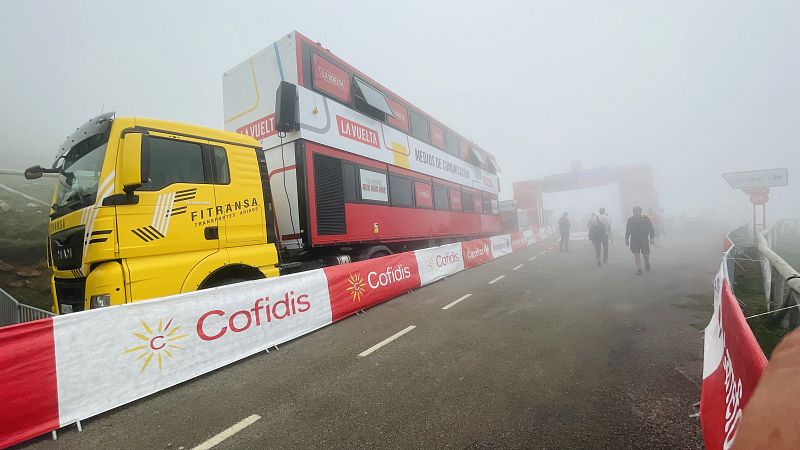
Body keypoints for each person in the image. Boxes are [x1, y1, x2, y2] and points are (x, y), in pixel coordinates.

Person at [625, 205, 655, 275]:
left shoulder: (645, 218)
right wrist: (626, 239)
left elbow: (651, 228)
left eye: (638, 211)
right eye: (635, 211)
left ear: (640, 212)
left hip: (644, 238)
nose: (636, 213)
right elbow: (628, 230)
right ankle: (639, 268)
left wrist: (651, 238)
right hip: (634, 239)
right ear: (633, 212)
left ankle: (646, 262)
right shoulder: (630, 220)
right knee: (636, 253)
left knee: (646, 254)